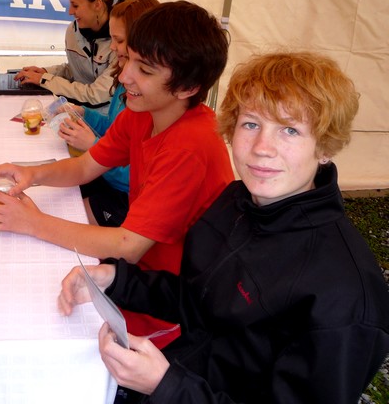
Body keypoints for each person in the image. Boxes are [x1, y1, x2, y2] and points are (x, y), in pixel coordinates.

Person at [58, 52, 389, 403]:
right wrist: (115, 281)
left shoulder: (345, 299)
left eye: (290, 130)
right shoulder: (236, 202)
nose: (262, 148)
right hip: (175, 372)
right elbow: (197, 299)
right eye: (251, 124)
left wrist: (166, 386)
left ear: (325, 147)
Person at [0, 1, 234, 348]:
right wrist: (31, 174)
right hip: (136, 277)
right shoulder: (142, 110)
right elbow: (86, 166)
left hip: (168, 305)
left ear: (187, 87)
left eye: (145, 70)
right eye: (129, 59)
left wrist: (32, 223)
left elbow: (128, 246)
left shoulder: (191, 145)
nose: (125, 75)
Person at [58, 0, 160, 227]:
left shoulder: (149, 99)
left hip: (124, 193)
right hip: (108, 177)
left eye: (118, 40)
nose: (112, 47)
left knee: (69, 215)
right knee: (61, 193)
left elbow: (136, 174)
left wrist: (93, 145)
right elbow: (116, 128)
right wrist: (85, 114)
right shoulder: (125, 79)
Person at [15, 0, 131, 108]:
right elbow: (76, 70)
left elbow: (96, 95)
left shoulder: (121, 45)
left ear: (97, 4)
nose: (70, 12)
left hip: (103, 116)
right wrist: (45, 72)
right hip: (80, 109)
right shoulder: (73, 31)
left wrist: (45, 80)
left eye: (75, 6)